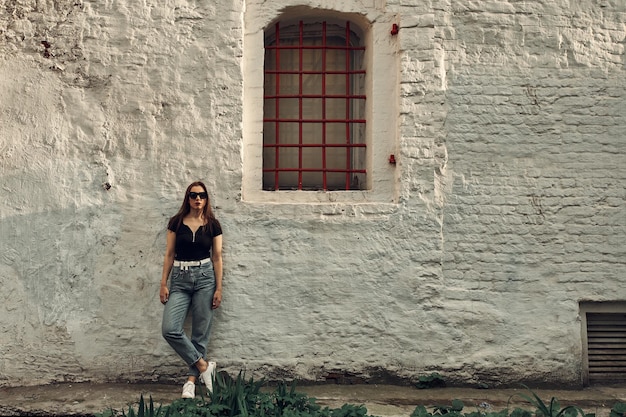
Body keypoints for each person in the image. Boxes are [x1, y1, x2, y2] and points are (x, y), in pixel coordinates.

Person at [160, 181, 223, 399]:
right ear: (187, 198)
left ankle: (191, 381)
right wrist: (163, 283)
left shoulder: (213, 225)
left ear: (206, 199)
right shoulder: (176, 223)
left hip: (205, 278)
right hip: (180, 278)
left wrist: (219, 288)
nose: (198, 199)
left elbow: (217, 257)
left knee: (200, 334)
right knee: (170, 328)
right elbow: (169, 254)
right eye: (194, 195)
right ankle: (205, 366)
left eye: (202, 195)